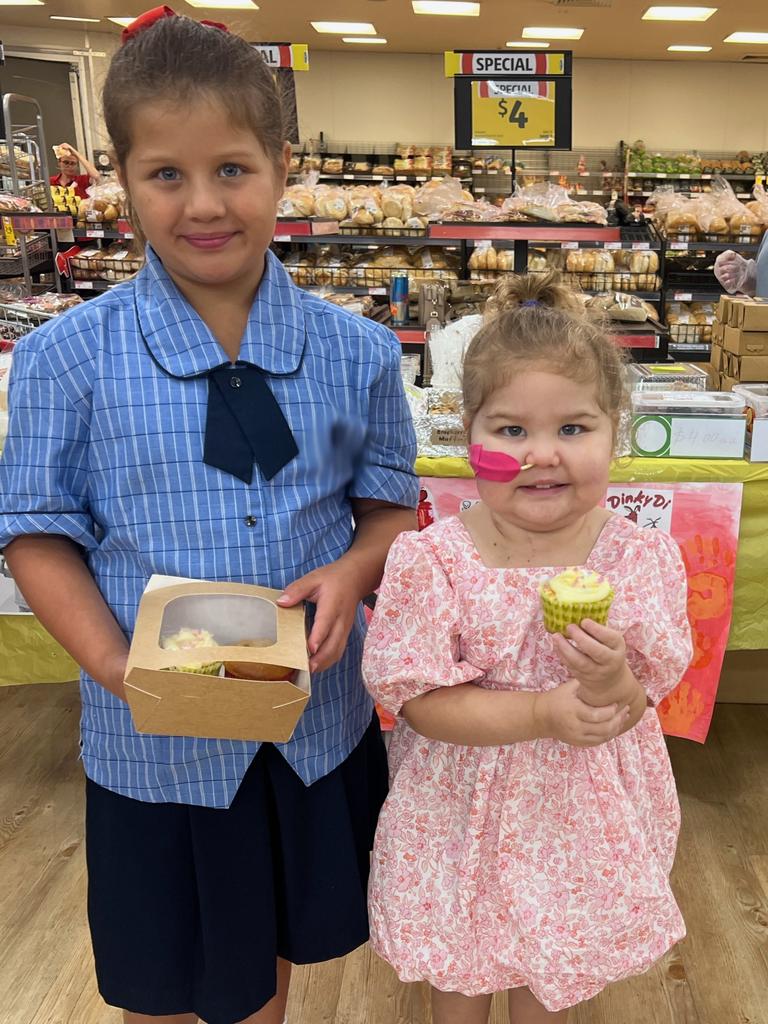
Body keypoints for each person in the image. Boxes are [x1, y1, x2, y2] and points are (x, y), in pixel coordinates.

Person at [0, 9, 417, 1024]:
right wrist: (118, 665)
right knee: (162, 973)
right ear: (121, 175)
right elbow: (36, 532)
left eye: (233, 169)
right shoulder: (69, 359)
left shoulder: (356, 352)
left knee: (267, 952)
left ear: (283, 166)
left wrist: (356, 570)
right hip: (157, 740)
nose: (203, 205)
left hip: (311, 727)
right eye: (166, 175)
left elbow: (389, 506)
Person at [363, 271, 693, 1024]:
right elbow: (419, 704)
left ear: (617, 431)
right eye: (511, 431)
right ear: (468, 436)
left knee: (551, 978)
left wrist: (612, 680)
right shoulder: (433, 560)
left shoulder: (639, 560)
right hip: (457, 811)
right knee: (461, 970)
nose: (542, 455)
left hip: (579, 817)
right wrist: (543, 711)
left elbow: (642, 699)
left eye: (573, 429)